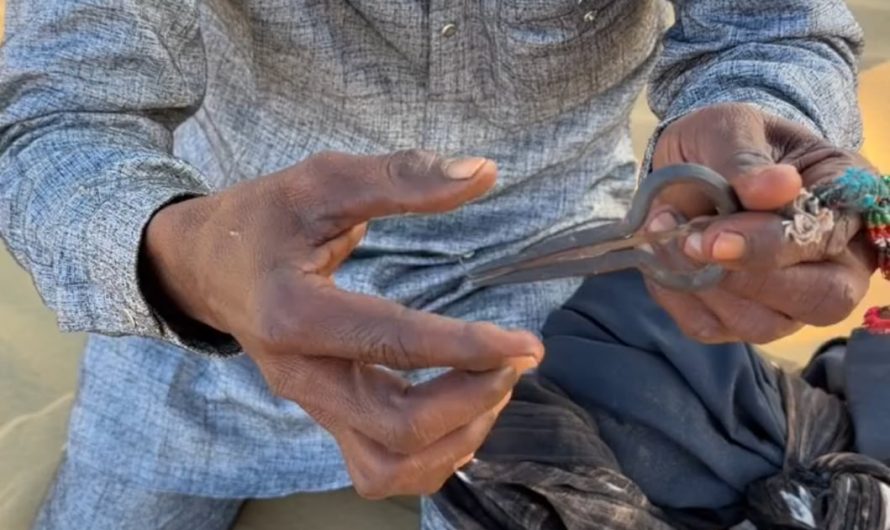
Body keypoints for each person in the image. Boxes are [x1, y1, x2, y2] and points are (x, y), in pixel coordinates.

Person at [0, 1, 875, 528]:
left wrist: (761, 131)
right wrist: (174, 257)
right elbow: (51, 114)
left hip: (556, 292)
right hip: (201, 322)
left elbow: (770, 26)